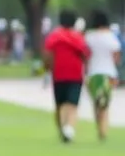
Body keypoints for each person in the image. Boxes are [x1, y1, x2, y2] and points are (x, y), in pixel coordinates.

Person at [44, 10, 90, 142]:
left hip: (58, 74)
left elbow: (48, 54)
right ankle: (69, 128)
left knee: (60, 104)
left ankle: (63, 129)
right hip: (75, 74)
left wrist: (47, 68)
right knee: (72, 104)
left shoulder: (53, 36)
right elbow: (85, 55)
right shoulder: (78, 37)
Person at [84, 10, 121, 142]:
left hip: (93, 74)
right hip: (109, 74)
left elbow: (85, 56)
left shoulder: (88, 36)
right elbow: (116, 56)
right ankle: (103, 131)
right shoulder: (112, 37)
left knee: (96, 103)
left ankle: (99, 127)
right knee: (105, 104)